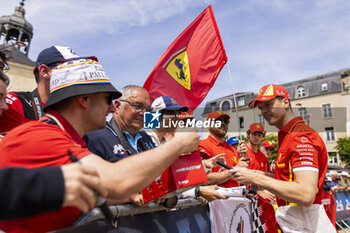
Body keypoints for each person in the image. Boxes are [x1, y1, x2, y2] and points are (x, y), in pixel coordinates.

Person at [0, 58, 199, 232]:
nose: (113, 107)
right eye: (107, 99)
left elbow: (82, 194)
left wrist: (126, 197)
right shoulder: (43, 136)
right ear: (83, 99)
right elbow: (116, 181)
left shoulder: (68, 138)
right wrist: (179, 143)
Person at [0, 70, 107, 220]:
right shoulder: (30, 126)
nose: (5, 107)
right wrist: (56, 182)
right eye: (108, 100)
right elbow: (114, 180)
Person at [231, 84, 335, 232]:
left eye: (268, 104)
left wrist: (256, 179)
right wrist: (260, 175)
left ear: (286, 102)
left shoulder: (300, 136)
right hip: (298, 219)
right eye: (260, 108)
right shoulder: (289, 135)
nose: (264, 111)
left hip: (303, 221)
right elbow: (291, 178)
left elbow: (305, 194)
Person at [0, 46, 97, 134]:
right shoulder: (15, 104)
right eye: (69, 70)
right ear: (45, 72)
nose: (77, 76)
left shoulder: (73, 112)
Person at [84, 85, 155, 162]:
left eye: (148, 109)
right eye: (138, 106)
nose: (143, 113)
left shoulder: (147, 138)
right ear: (117, 106)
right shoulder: (96, 137)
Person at [199, 110, 248, 188]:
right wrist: (236, 169)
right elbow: (205, 179)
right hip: (216, 197)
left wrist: (243, 157)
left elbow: (241, 178)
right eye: (218, 120)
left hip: (238, 196)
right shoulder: (202, 145)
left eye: (226, 121)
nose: (223, 123)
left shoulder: (233, 149)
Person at [246, 123, 279, 233]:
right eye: (254, 134)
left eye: (260, 135)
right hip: (247, 201)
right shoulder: (241, 152)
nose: (257, 137)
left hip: (262, 200)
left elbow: (265, 179)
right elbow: (241, 178)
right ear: (248, 134)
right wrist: (259, 192)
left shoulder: (262, 157)